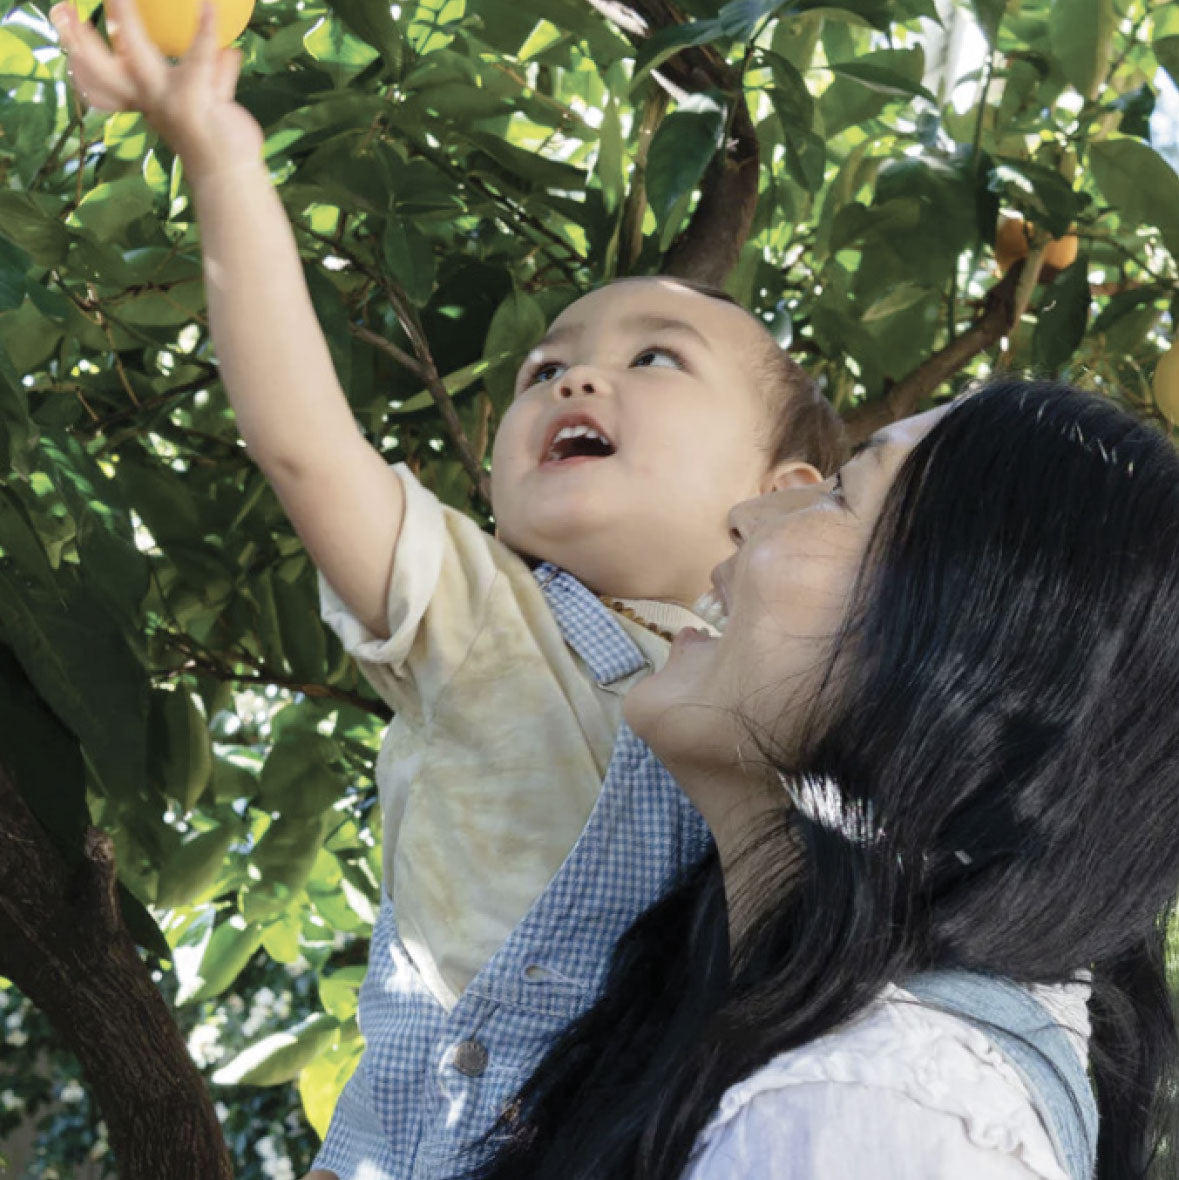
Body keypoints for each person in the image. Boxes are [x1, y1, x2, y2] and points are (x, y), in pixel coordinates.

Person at [48, 3, 846, 1177]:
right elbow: (306, 441)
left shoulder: (801, 690)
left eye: (654, 357)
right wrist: (221, 162)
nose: (575, 368)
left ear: (783, 494)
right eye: (544, 367)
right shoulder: (478, 612)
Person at [469, 380, 1179, 1180]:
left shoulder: (873, 1112)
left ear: (977, 653)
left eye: (841, 494)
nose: (745, 514)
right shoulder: (761, 1030)